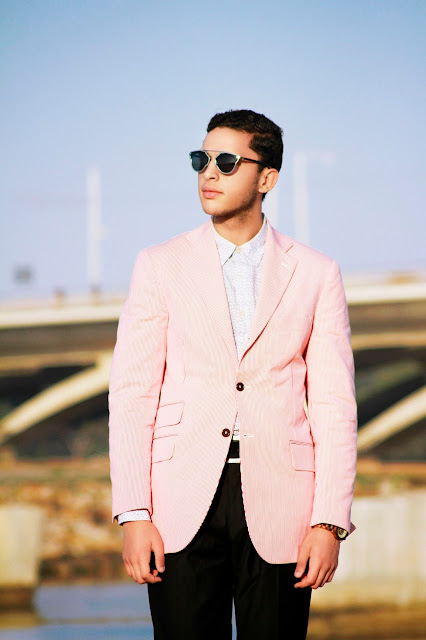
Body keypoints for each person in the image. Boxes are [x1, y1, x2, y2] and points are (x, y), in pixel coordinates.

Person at [109, 109, 357, 639]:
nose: (209, 173)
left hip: (283, 504)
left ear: (267, 178)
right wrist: (133, 513)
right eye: (201, 160)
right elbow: (132, 395)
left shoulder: (317, 273)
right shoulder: (159, 264)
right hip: (180, 501)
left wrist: (329, 522)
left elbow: (334, 406)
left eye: (226, 161)